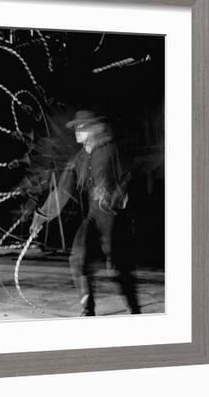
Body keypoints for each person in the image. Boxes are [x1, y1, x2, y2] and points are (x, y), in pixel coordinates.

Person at [30, 110, 140, 316]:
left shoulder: (111, 149)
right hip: (93, 216)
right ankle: (87, 308)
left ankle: (134, 310)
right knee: (78, 256)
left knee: (118, 264)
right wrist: (41, 217)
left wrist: (118, 193)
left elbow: (129, 173)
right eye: (76, 128)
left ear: (94, 128)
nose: (77, 131)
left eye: (82, 127)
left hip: (114, 216)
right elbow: (62, 191)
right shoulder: (78, 159)